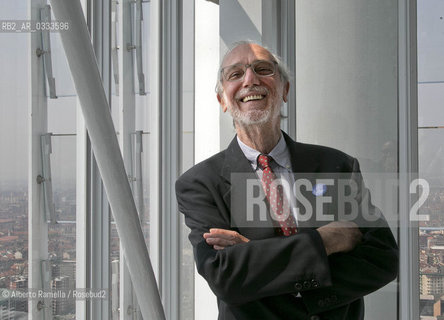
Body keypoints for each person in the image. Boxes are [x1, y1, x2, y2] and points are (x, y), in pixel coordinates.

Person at [175, 41, 398, 320]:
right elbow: (225, 276)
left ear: (285, 90)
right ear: (222, 101)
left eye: (263, 69)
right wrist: (324, 241)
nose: (250, 80)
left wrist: (256, 257)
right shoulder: (199, 183)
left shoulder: (337, 166)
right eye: (235, 74)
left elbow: (383, 258)